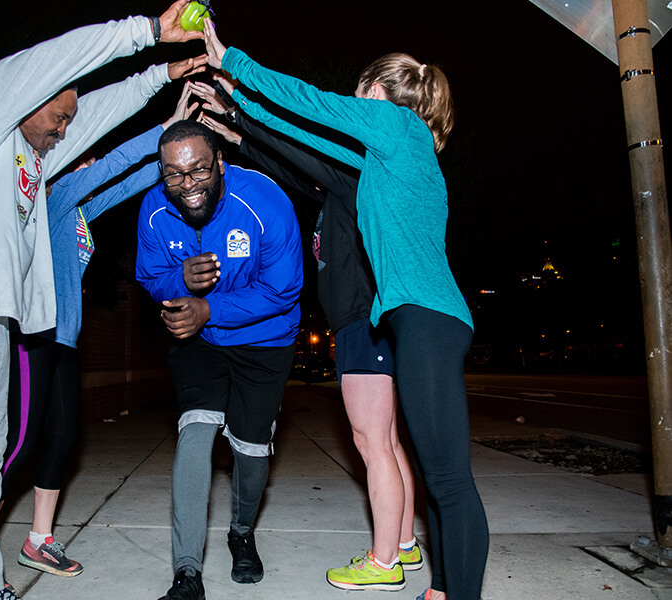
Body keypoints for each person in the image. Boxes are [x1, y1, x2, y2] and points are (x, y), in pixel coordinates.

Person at [0, 4, 204, 599]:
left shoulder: (31, 159)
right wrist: (145, 35)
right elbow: (58, 60)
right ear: (29, 96)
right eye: (58, 117)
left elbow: (97, 126)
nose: (65, 129)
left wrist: (158, 81)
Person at [202, 24, 488, 600]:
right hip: (415, 319)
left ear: (380, 89)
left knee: (450, 482)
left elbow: (311, 103)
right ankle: (441, 588)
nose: (356, 102)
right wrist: (238, 111)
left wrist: (233, 60)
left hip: (428, 316)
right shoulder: (388, 156)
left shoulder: (399, 125)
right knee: (437, 477)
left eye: (363, 91)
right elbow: (306, 140)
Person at [191, 80, 421, 591]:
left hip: (365, 320)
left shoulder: (359, 172)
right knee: (385, 440)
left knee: (372, 442)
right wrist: (238, 136)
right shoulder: (349, 181)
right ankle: (403, 544)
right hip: (363, 321)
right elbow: (293, 168)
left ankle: (384, 563)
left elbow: (300, 150)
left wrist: (241, 116)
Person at [1, 83, 200, 578]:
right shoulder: (52, 200)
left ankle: (38, 540)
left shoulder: (78, 212)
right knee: (19, 443)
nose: (90, 160)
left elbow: (127, 182)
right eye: (83, 155)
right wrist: (163, 130)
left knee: (62, 438)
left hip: (63, 340)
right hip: (35, 336)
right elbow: (113, 165)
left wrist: (174, 157)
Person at [135, 119, 303, 600]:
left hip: (265, 341)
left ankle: (241, 531)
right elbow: (150, 277)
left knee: (251, 451)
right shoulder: (153, 209)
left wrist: (211, 305)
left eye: (198, 171)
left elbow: (283, 288)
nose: (187, 185)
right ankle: (186, 573)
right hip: (199, 341)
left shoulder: (266, 202)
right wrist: (179, 283)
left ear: (220, 164)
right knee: (196, 430)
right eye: (173, 174)